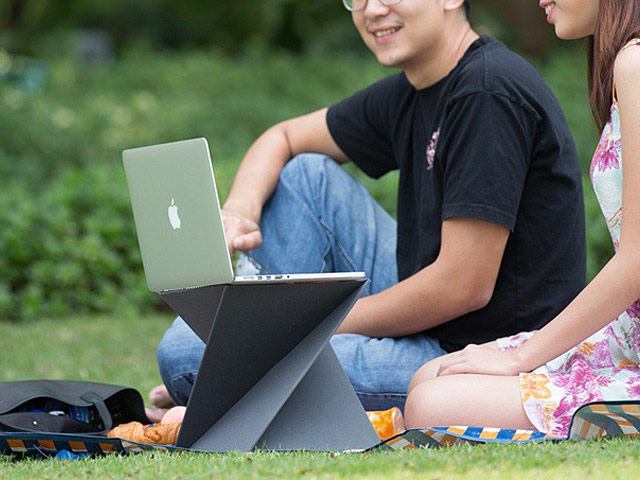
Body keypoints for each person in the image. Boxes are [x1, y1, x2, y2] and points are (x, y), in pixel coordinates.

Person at [147, 0, 587, 421]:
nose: (373, 10)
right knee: (306, 176)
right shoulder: (416, 90)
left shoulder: (487, 92)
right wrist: (240, 210)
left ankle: (235, 376)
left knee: (188, 350)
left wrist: (300, 328)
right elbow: (281, 137)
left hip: (480, 356)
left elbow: (463, 286)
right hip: (437, 323)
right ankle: (241, 371)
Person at [405, 0, 640, 437]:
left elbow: (636, 262)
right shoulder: (623, 67)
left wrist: (521, 357)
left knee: (431, 402)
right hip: (627, 334)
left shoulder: (636, 63)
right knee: (430, 378)